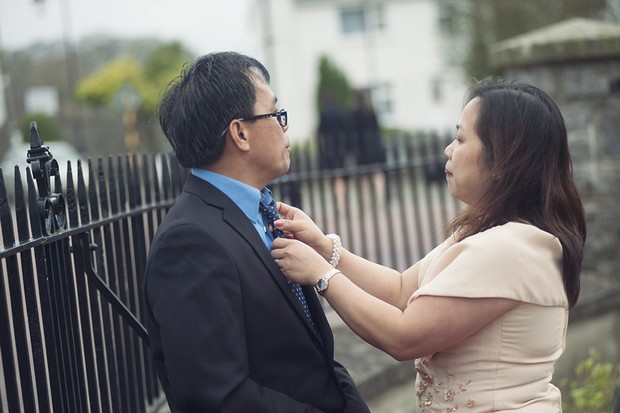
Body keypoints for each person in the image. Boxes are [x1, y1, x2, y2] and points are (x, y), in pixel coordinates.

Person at [271, 79, 586, 412]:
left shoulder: (511, 247)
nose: (448, 150)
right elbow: (402, 289)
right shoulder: (489, 232)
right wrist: (324, 248)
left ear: (503, 160)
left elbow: (404, 336)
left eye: (462, 139)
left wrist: (321, 275)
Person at [143, 51, 370, 412]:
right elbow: (217, 397)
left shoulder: (260, 212)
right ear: (240, 133)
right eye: (276, 114)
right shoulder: (189, 242)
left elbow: (314, 360)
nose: (285, 127)